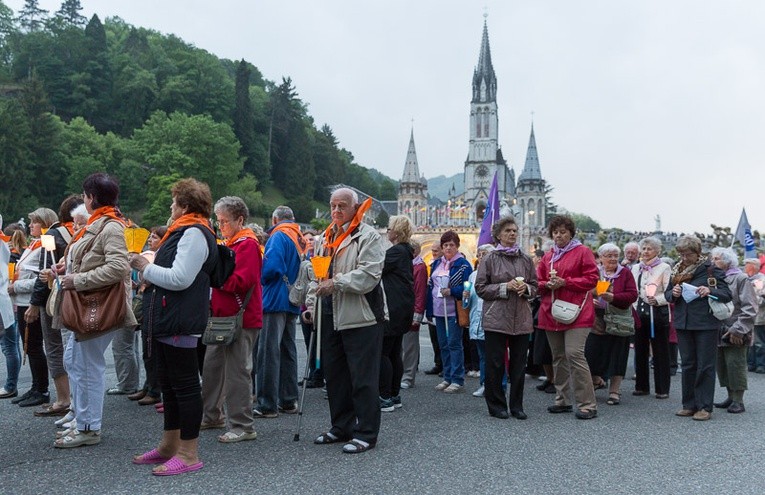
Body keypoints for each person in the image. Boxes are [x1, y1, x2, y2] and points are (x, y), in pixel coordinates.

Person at [129, 178, 218, 474]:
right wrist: (151, 274)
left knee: (185, 387)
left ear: (184, 205)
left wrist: (146, 268)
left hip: (180, 319)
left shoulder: (193, 232)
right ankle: (169, 445)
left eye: (174, 201)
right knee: (169, 385)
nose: (171, 206)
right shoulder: (185, 230)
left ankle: (189, 453)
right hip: (170, 318)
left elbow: (181, 279)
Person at [54, 173, 136, 448]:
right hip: (89, 302)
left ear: (91, 198)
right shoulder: (102, 222)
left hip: (96, 304)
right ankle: (83, 421)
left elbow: (118, 267)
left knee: (87, 367)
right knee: (79, 363)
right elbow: (97, 259)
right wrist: (69, 268)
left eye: (86, 195)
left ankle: (89, 426)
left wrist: (77, 279)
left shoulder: (109, 226)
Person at [304, 187, 385, 454]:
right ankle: (341, 427)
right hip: (329, 313)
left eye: (342, 206)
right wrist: (312, 304)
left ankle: (366, 433)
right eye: (333, 206)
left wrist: (336, 283)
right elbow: (316, 277)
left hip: (360, 316)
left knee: (362, 378)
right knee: (335, 376)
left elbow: (369, 275)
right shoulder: (324, 238)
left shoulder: (368, 236)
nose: (336, 211)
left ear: (355, 207)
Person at [201, 196, 263, 442]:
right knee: (213, 367)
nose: (221, 225)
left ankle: (242, 425)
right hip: (225, 316)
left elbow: (243, 281)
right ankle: (212, 415)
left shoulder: (247, 244)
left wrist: (214, 277)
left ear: (240, 220)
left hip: (241, 318)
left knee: (237, 371)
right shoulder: (234, 243)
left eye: (225, 221)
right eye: (219, 220)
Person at [536, 215, 599, 420]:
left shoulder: (583, 252)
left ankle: (587, 404)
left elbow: (592, 280)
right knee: (558, 357)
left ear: (571, 233)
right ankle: (562, 400)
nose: (559, 235)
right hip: (551, 312)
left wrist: (566, 282)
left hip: (577, 312)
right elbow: (538, 282)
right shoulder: (548, 256)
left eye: (563, 232)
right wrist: (548, 285)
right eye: (555, 232)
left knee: (574, 354)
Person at [476, 218, 537, 419]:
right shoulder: (489, 259)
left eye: (515, 230)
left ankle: (517, 406)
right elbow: (480, 288)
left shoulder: (526, 260)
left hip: (521, 318)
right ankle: (496, 405)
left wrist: (526, 289)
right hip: (496, 317)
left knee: (519, 365)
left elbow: (535, 287)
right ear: (499, 235)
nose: (512, 234)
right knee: (495, 364)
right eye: (508, 231)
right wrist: (505, 287)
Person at [666, 235, 731, 421]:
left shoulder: (711, 270)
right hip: (683, 323)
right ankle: (689, 404)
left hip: (706, 324)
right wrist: (674, 293)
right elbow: (667, 294)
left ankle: (704, 406)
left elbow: (727, 294)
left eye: (688, 254)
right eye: (681, 254)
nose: (684, 258)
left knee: (705, 365)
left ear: (697, 253)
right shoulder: (677, 270)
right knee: (687, 365)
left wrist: (710, 291)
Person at [32, 195, 83, 417]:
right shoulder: (82, 232)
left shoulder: (51, 235)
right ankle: (76, 399)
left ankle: (63, 398)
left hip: (53, 298)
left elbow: (44, 272)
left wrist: (35, 303)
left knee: (54, 347)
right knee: (74, 348)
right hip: (77, 295)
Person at [255, 206, 303, 418]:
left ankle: (267, 404)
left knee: (268, 352)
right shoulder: (299, 238)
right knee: (287, 350)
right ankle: (289, 399)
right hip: (293, 297)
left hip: (275, 298)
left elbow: (272, 267)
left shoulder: (278, 235)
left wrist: (261, 276)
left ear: (275, 219)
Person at [9, 208, 55, 408]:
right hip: (21, 300)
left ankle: (42, 390)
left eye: (34, 222)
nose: (30, 226)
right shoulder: (33, 245)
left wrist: (16, 286)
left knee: (34, 346)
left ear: (44, 223)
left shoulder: (44, 245)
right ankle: (36, 387)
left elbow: (41, 278)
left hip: (30, 301)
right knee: (28, 347)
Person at [585, 243, 638, 406]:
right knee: (592, 353)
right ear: (601, 258)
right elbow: (586, 290)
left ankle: (614, 391)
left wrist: (613, 298)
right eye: (609, 255)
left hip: (618, 318)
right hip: (597, 318)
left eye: (615, 255)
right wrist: (591, 299)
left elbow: (632, 295)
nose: (613, 258)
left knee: (618, 355)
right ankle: (596, 380)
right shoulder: (596, 272)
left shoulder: (625, 273)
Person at [710, 248, 756, 414]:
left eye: (717, 259)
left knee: (735, 364)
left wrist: (738, 330)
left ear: (728, 261)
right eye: (713, 258)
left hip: (736, 327)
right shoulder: (714, 278)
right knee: (722, 365)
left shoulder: (740, 278)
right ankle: (730, 396)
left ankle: (738, 400)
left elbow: (750, 307)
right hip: (718, 328)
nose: (713, 261)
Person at [430, 230, 472, 393]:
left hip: (454, 310)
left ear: (457, 246)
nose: (448, 248)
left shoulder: (463, 264)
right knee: (443, 344)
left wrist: (452, 291)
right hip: (439, 310)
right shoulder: (436, 263)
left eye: (451, 245)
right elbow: (431, 286)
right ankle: (447, 376)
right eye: (445, 245)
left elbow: (468, 287)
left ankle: (457, 378)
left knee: (454, 344)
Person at [128, 225, 167, 406]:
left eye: (154, 237)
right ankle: (148, 384)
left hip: (155, 304)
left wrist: (145, 273)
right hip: (147, 302)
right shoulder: (151, 255)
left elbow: (152, 278)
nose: (150, 240)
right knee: (147, 348)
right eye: (150, 237)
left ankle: (154, 389)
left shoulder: (161, 255)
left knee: (153, 350)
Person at [379, 215, 414, 412]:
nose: (387, 231)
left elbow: (375, 268)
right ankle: (394, 394)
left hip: (392, 307)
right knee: (394, 352)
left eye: (390, 228)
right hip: (403, 308)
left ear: (397, 231)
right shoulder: (406, 252)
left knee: (384, 352)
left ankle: (384, 396)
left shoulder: (395, 252)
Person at [630, 237, 672, 398]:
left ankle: (662, 388)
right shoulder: (636, 268)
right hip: (639, 311)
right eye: (644, 248)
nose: (646, 251)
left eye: (650, 249)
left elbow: (669, 291)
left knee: (660, 350)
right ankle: (641, 385)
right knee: (640, 349)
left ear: (657, 251)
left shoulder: (664, 267)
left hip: (658, 312)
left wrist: (659, 300)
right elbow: (634, 290)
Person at [467, 244, 495, 398]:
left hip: (491, 319)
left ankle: (498, 385)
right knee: (483, 355)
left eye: (485, 254)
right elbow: (468, 301)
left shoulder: (496, 274)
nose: (482, 257)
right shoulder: (473, 275)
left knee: (494, 355)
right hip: (476, 319)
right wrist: (465, 296)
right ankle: (484, 384)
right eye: (479, 254)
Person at [401, 239, 427, 389]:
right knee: (403, 345)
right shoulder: (410, 264)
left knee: (410, 345)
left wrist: (417, 313)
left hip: (412, 310)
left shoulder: (419, 267)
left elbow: (420, 292)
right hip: (404, 308)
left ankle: (409, 376)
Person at [1, 220, 19, 399]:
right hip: (7, 302)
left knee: (9, 345)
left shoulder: (2, 247)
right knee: (9, 345)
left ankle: (11, 385)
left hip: (5, 302)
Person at [423, 244, 443, 376]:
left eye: (436, 250)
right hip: (432, 306)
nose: (434, 253)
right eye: (433, 251)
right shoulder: (434, 264)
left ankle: (445, 365)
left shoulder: (444, 264)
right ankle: (438, 363)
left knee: (443, 340)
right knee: (434, 338)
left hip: (442, 306)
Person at [744, 258, 765, 373]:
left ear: (753, 267)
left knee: (759, 342)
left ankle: (760, 365)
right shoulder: (746, 278)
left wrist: (750, 300)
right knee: (750, 341)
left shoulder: (761, 280)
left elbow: (761, 299)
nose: (744, 267)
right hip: (748, 315)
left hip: (759, 316)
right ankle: (751, 363)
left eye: (746, 265)